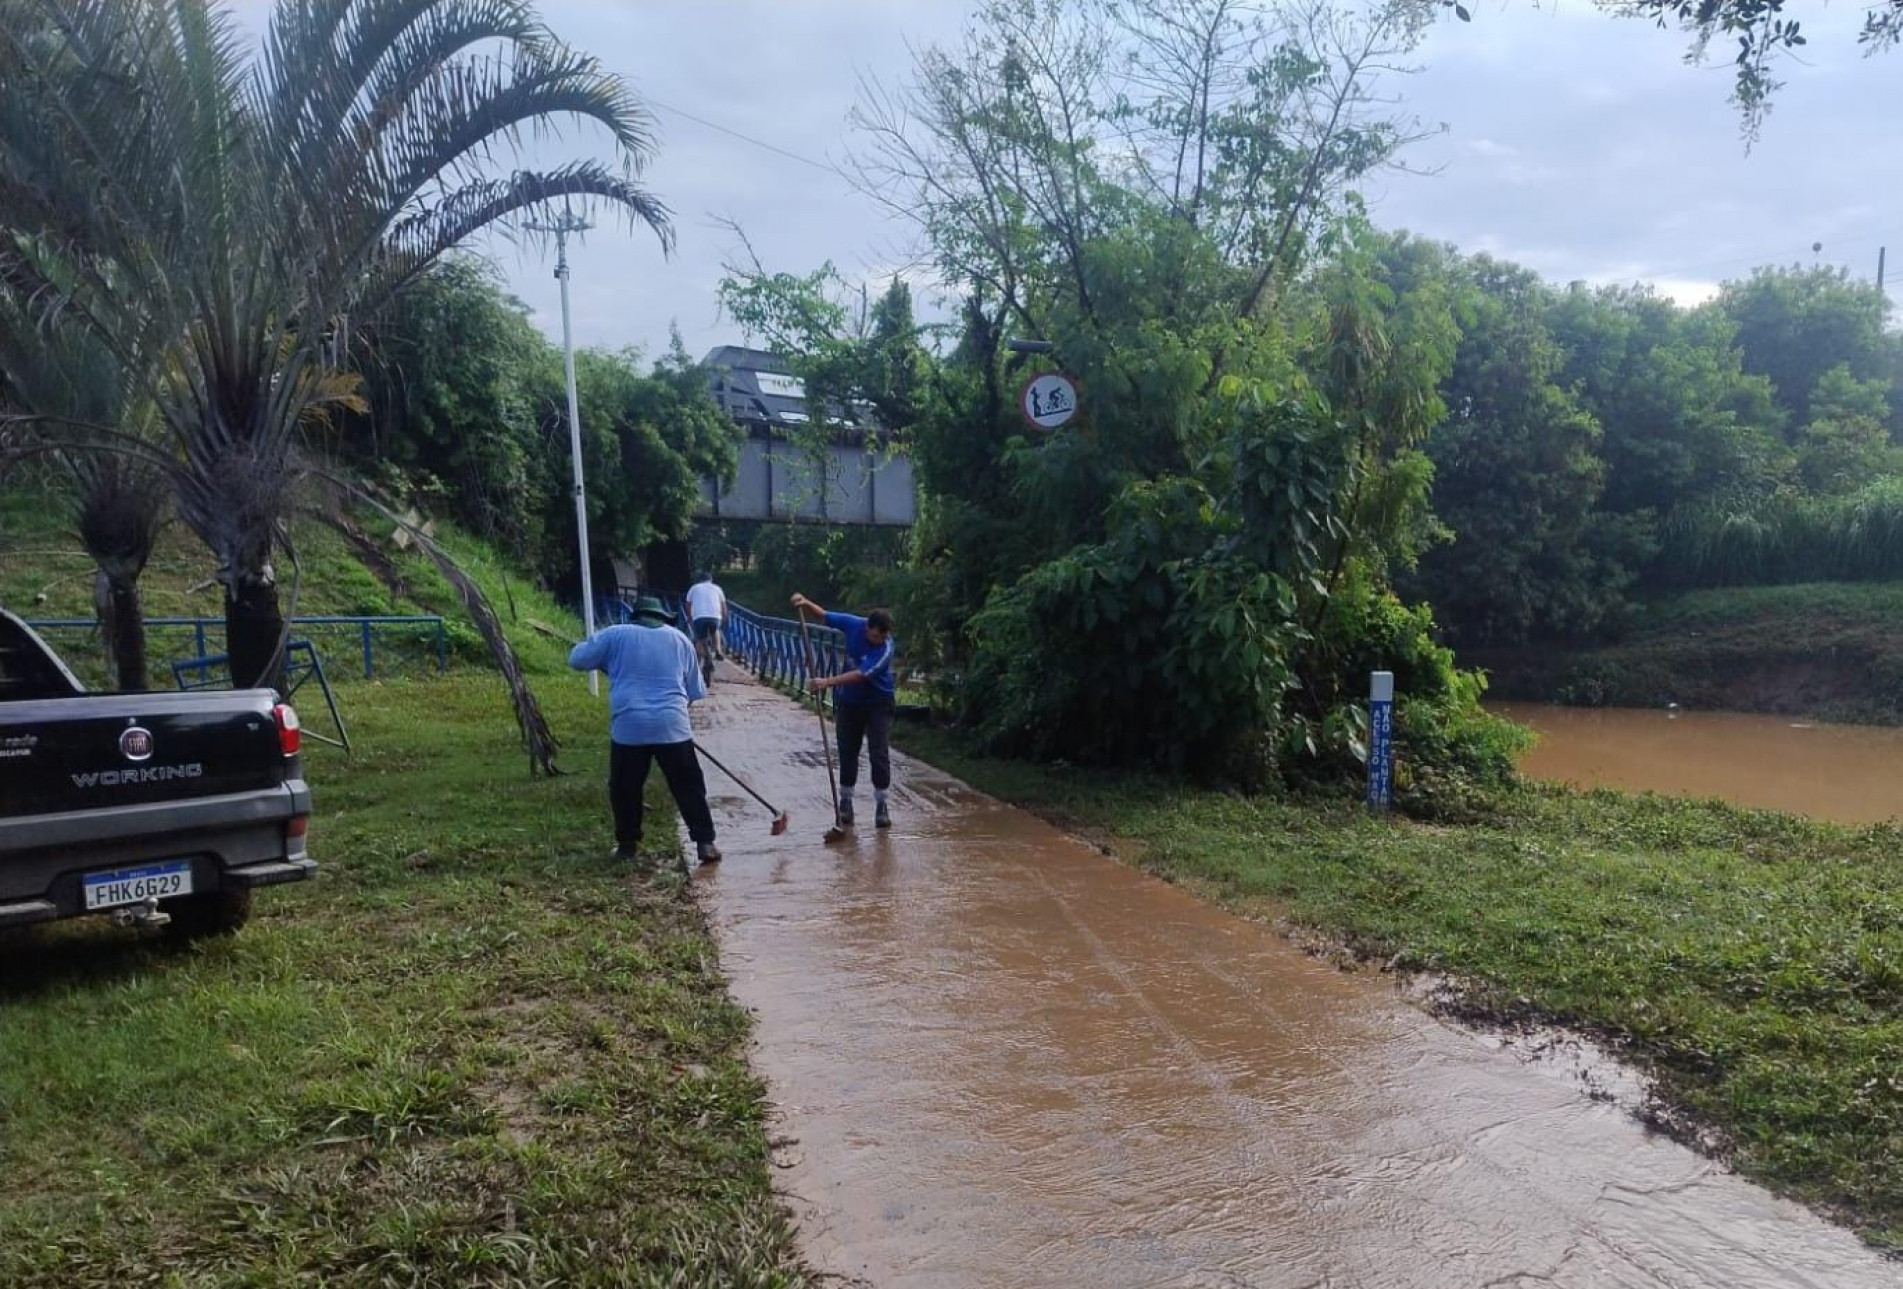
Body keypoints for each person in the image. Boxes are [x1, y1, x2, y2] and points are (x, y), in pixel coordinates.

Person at [567, 596, 721, 870]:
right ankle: (704, 842)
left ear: (635, 616)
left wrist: (607, 661)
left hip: (629, 726)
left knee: (625, 787)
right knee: (688, 787)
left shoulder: (615, 635)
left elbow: (576, 659)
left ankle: (627, 845)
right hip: (672, 725)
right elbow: (695, 691)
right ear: (663, 617)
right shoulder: (680, 639)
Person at [791, 592, 896, 830]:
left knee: (878, 750)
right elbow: (826, 617)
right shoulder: (854, 624)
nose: (880, 639)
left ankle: (882, 804)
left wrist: (826, 682)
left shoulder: (886, 649)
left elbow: (861, 675)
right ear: (868, 628)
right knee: (848, 749)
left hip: (878, 702)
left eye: (884, 636)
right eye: (877, 635)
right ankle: (846, 802)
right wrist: (806, 603)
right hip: (850, 702)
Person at [684, 570, 727, 683]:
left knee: (699, 639)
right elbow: (723, 605)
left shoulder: (694, 588)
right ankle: (718, 649)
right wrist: (723, 617)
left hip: (699, 617)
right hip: (714, 616)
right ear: (711, 580)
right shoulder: (717, 588)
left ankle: (702, 659)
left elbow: (688, 603)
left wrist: (689, 616)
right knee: (716, 630)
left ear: (700, 580)